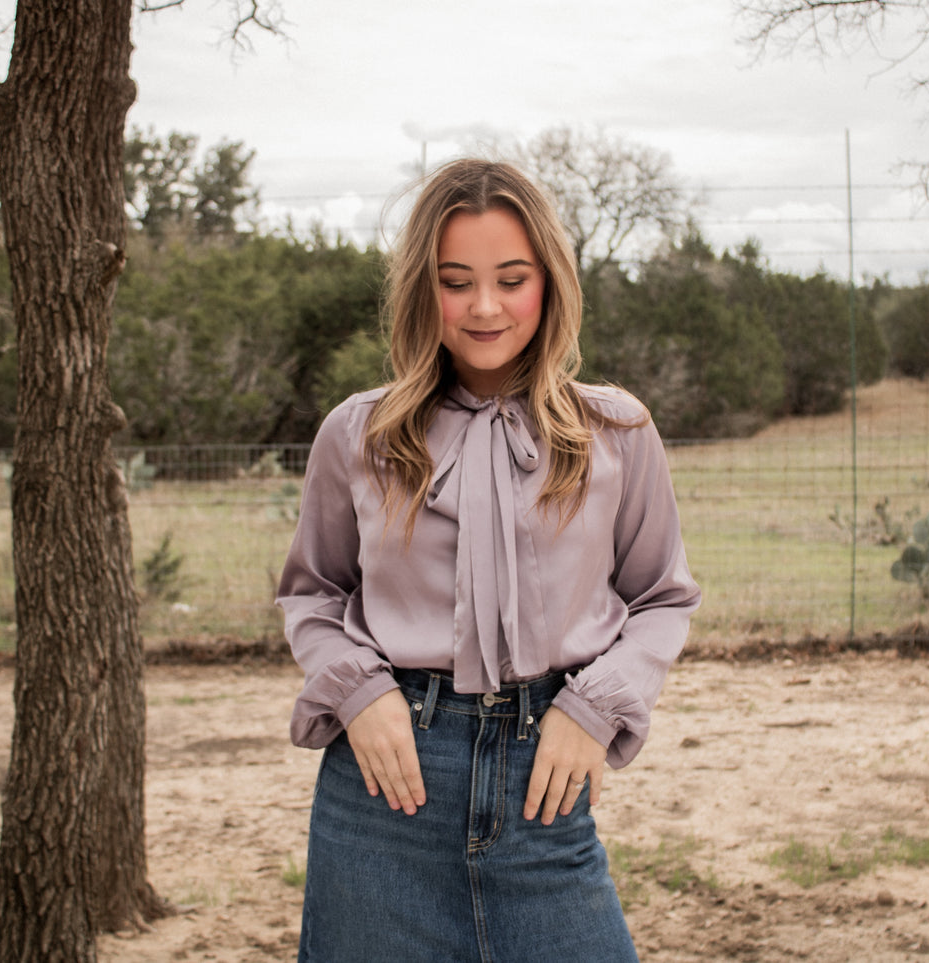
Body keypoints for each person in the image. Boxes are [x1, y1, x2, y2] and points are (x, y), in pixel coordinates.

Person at [276, 157, 701, 962]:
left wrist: (596, 706)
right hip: (385, 786)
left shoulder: (615, 432)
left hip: (546, 779)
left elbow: (662, 598)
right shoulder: (356, 435)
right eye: (454, 280)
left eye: (511, 277)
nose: (483, 306)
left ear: (549, 282)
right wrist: (359, 694)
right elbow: (312, 593)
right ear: (419, 290)